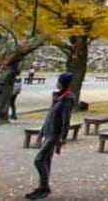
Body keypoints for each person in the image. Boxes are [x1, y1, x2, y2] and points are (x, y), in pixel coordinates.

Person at [25, 72, 75, 200]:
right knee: (46, 159)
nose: (57, 83)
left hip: (54, 134)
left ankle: (44, 188)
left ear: (64, 83)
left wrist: (62, 138)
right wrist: (41, 133)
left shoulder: (67, 99)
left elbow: (66, 120)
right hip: (48, 131)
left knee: (39, 159)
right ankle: (43, 187)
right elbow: (50, 116)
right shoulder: (58, 96)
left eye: (59, 81)